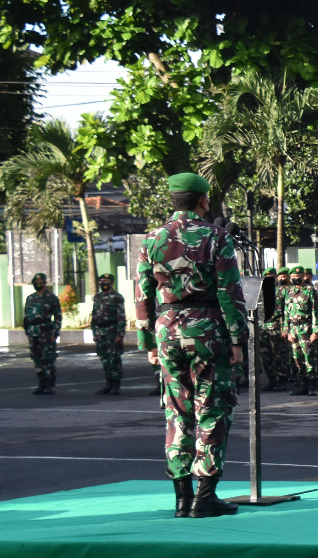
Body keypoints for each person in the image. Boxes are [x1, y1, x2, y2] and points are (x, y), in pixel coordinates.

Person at [135, 172, 246, 518]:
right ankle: (205, 497)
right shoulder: (216, 236)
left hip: (167, 331)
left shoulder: (152, 239)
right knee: (212, 409)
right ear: (203, 200)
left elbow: (142, 295)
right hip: (208, 329)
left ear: (174, 199)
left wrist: (147, 342)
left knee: (176, 412)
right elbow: (230, 292)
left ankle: (182, 499)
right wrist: (237, 338)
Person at [284, 265, 318, 396]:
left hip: (306, 329)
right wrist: (287, 330)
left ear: (303, 277)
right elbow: (287, 313)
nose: (295, 279)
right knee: (297, 358)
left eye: (298, 277)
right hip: (294, 330)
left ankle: (312, 386)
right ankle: (302, 385)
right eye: (293, 277)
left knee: (309, 357)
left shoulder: (310, 291)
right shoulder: (289, 291)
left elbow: (316, 312)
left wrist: (316, 331)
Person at [23, 272, 62, 394]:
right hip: (33, 332)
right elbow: (26, 316)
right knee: (36, 358)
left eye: (40, 283)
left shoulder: (51, 298)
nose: (38, 285)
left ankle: (50, 385)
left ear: (45, 283)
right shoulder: (30, 298)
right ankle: (41, 383)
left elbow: (57, 316)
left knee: (48, 358)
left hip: (46, 332)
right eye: (36, 283)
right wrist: (27, 330)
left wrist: (55, 332)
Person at [90, 272, 128, 395]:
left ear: (111, 283)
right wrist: (94, 332)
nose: (103, 284)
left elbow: (121, 316)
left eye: (106, 282)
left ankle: (116, 384)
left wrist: (120, 334)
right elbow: (94, 316)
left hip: (112, 332)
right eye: (102, 281)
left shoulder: (117, 297)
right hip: (101, 333)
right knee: (104, 359)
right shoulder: (97, 297)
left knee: (114, 359)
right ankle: (108, 383)